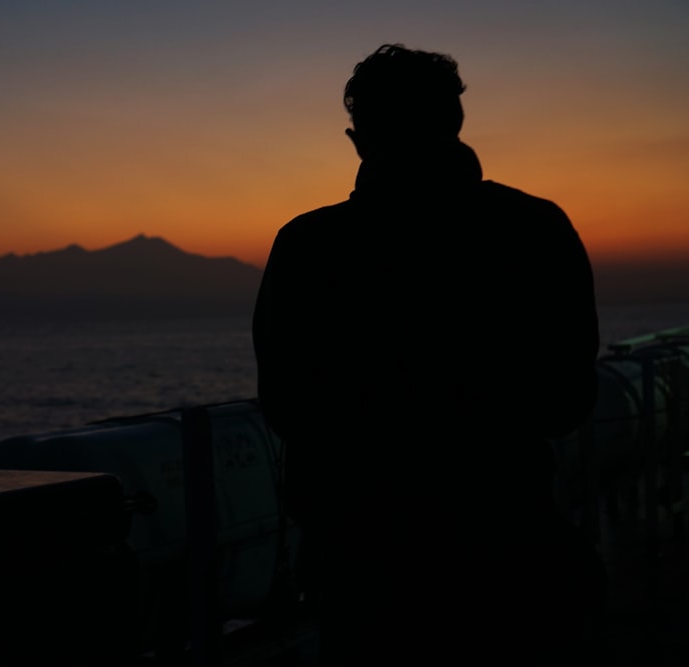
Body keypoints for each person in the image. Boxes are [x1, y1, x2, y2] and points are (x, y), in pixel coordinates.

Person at [252, 44, 604, 665]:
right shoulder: (533, 229)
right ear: (455, 123)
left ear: (357, 138)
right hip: (508, 543)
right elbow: (566, 400)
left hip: (361, 558)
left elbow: (287, 404)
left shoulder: (311, 246)